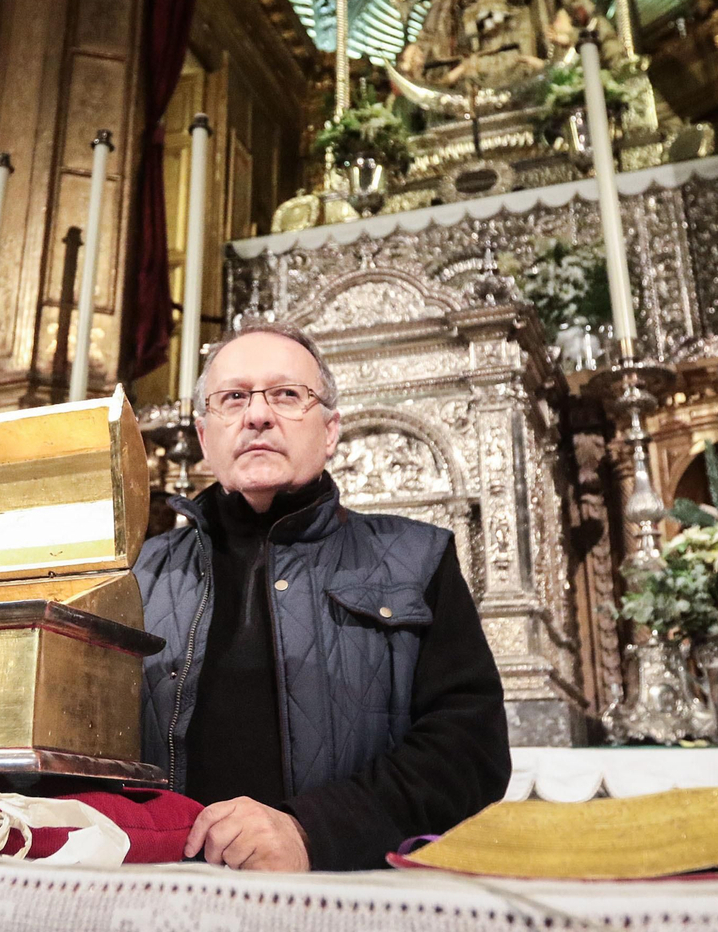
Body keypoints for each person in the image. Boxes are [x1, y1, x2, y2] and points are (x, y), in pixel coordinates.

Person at [134, 322, 510, 872]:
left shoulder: (417, 558)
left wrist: (313, 829)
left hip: (352, 892)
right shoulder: (137, 574)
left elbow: (469, 750)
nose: (257, 415)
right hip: (161, 890)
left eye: (287, 395)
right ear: (202, 433)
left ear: (330, 431)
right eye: (233, 397)